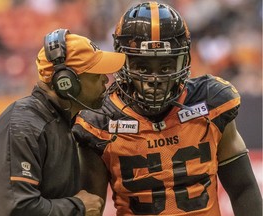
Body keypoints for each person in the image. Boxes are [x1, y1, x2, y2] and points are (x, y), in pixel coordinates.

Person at [73, 2, 262, 216]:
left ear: (184, 61)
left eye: (165, 66)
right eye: (143, 66)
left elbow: (242, 188)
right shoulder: (99, 121)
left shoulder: (210, 104)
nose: (154, 79)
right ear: (122, 62)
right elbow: (91, 206)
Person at [0, 28, 126, 216]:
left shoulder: (60, 122)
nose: (105, 79)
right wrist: (78, 207)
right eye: (96, 75)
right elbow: (14, 208)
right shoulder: (23, 126)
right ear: (67, 82)